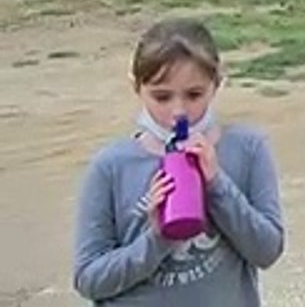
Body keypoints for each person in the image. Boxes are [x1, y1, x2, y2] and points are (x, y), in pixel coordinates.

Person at [72, 18, 285, 305]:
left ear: (217, 83)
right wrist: (157, 239)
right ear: (137, 87)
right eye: (161, 97)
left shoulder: (247, 149)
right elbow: (89, 280)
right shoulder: (111, 167)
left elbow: (267, 251)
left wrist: (217, 186)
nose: (178, 111)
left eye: (194, 95)